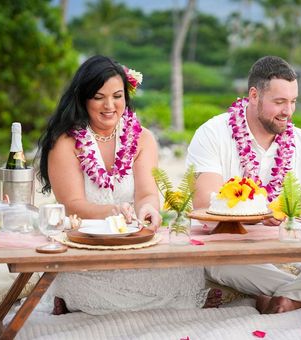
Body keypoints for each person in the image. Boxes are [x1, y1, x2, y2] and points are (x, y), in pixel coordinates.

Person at [186, 56, 301, 314]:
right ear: (254, 95)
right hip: (232, 247)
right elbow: (204, 201)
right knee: (219, 263)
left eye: (293, 101)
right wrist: (263, 214)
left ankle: (291, 296)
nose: (288, 111)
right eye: (279, 102)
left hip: (288, 244)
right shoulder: (212, 133)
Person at [37, 55, 221, 314]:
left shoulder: (143, 138)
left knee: (188, 271)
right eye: (99, 97)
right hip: (85, 247)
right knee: (82, 285)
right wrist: (116, 211)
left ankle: (105, 302)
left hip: (132, 242)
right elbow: (72, 205)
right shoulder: (65, 142)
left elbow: (147, 193)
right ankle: (78, 298)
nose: (109, 105)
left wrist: (148, 210)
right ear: (83, 98)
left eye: (117, 96)